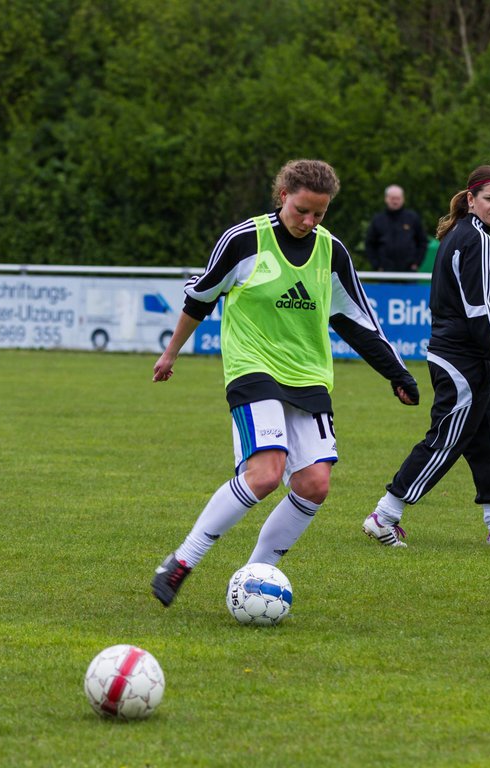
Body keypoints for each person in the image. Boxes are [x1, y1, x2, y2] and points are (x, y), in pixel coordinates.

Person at [151, 159, 420, 606]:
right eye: (302, 211)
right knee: (266, 474)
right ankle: (183, 559)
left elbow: (357, 321)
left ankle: (256, 578)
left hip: (309, 376)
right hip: (252, 368)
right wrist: (171, 352)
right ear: (283, 197)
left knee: (315, 485)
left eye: (319, 213)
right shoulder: (244, 240)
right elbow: (200, 297)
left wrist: (397, 373)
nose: (309, 221)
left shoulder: (331, 252)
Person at [362, 165, 490, 549]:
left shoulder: (466, 234)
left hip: (468, 357)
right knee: (446, 439)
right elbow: (477, 310)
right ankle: (384, 515)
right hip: (461, 359)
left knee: (489, 440)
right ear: (472, 199)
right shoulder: (475, 238)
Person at [364, 184, 429, 273]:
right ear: (386, 199)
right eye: (392, 198)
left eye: (398, 198)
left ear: (403, 199)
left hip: (408, 273)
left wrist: (416, 263)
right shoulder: (378, 220)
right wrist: (377, 265)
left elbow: (422, 242)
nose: (395, 201)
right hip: (384, 274)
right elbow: (370, 244)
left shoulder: (412, 218)